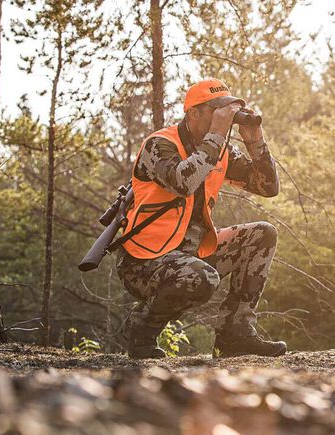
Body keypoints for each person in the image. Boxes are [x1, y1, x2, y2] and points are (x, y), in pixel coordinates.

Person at [116, 78, 287, 359]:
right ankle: (142, 330)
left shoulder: (219, 151)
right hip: (144, 262)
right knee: (202, 277)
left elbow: (267, 187)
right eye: (216, 110)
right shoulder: (159, 145)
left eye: (227, 112)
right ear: (193, 113)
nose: (224, 118)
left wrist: (255, 140)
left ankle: (236, 334)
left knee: (263, 234)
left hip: (190, 253)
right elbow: (185, 182)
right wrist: (217, 135)